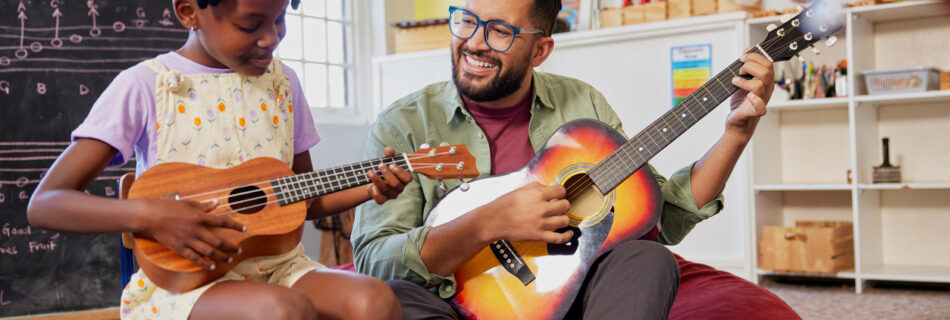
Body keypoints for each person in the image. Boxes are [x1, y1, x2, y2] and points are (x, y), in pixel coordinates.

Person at [352, 0, 775, 318]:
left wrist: (736, 133)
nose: (474, 42)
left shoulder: (583, 105)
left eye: (499, 31)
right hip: (452, 303)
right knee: (395, 297)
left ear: (540, 51)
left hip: (565, 297)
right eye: (465, 19)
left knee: (648, 258)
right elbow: (373, 260)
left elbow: (660, 215)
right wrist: (485, 224)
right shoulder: (403, 123)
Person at [26, 0, 412, 319]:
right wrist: (150, 216)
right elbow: (46, 204)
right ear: (189, 12)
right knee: (280, 311)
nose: (271, 38)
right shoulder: (147, 85)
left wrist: (369, 187)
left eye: (280, 20)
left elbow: (302, 200)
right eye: (250, 25)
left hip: (280, 268)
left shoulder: (284, 84)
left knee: (375, 301)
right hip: (187, 286)